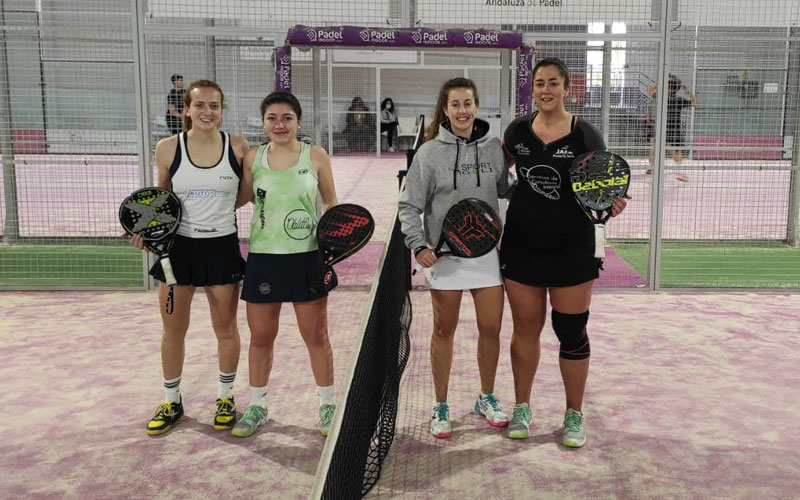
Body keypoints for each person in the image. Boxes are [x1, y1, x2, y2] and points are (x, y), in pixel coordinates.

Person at [500, 58, 629, 446]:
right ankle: (522, 407)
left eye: (553, 83)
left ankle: (574, 414)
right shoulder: (517, 131)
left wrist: (614, 202)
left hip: (573, 247)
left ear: (567, 88)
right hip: (522, 246)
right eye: (539, 83)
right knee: (525, 329)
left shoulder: (586, 135)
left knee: (571, 331)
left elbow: (605, 188)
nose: (545, 90)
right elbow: (500, 170)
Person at [131, 79, 250, 436]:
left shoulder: (239, 148)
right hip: (177, 250)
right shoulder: (168, 148)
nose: (207, 112)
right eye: (199, 106)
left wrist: (213, 215)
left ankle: (226, 398)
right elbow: (161, 200)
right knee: (173, 329)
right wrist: (147, 229)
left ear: (222, 110)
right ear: (186, 109)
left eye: (214, 106)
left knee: (225, 328)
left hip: (222, 247)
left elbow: (243, 197)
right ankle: (172, 401)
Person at [398, 77, 510, 439]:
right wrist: (419, 245)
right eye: (455, 105)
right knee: (443, 331)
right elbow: (409, 205)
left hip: (485, 256)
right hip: (445, 257)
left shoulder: (493, 147)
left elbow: (505, 190)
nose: (463, 111)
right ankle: (441, 404)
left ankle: (486, 397)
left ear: (477, 106)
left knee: (490, 329)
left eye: (468, 103)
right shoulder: (429, 153)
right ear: (445, 110)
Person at [232, 91, 340, 438]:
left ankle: (327, 405)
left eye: (287, 118)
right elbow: (240, 199)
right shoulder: (253, 158)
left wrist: (333, 245)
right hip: (264, 258)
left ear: (299, 121)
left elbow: (332, 203)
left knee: (316, 336)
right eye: (272, 118)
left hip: (307, 259)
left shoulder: (316, 156)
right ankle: (257, 405)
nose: (279, 125)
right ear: (263, 123)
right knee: (261, 337)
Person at [646, 75, 697, 182]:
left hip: (662, 127)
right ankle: (679, 171)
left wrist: (661, 81)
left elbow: (650, 89)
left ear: (668, 88)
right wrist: (686, 89)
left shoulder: (662, 98)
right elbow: (694, 103)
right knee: (675, 150)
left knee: (658, 146)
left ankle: (652, 167)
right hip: (675, 128)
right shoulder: (679, 100)